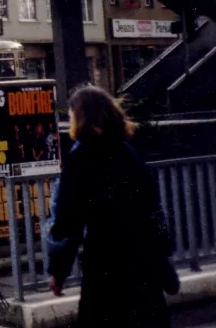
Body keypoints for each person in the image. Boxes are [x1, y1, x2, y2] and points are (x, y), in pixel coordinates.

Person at [47, 85, 179, 328]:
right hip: (142, 264)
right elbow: (152, 210)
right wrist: (163, 256)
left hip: (104, 267)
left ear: (81, 118)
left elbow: (67, 221)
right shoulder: (128, 154)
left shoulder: (80, 160)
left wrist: (58, 270)